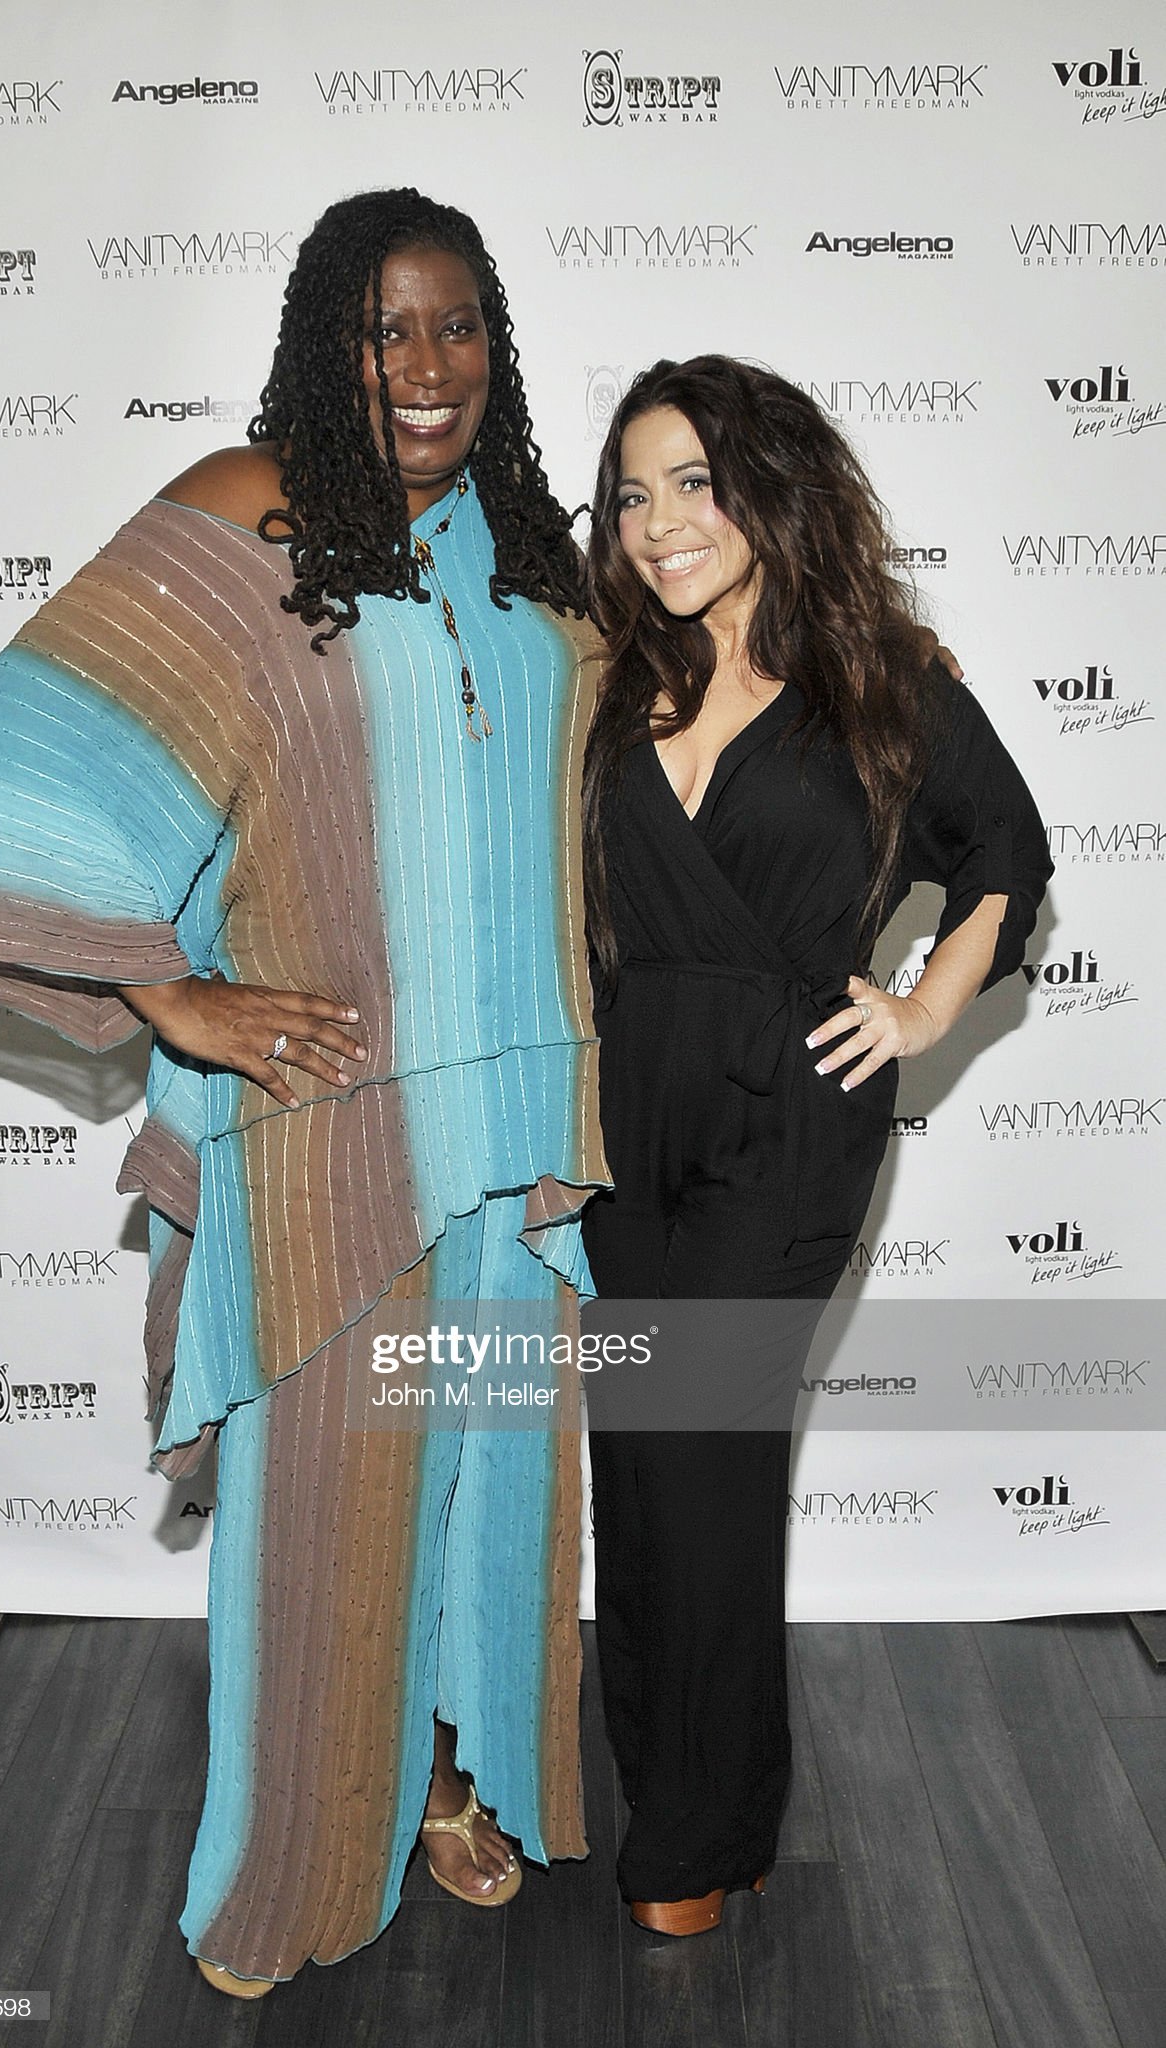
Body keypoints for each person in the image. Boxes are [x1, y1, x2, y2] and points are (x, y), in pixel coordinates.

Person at [0, 189, 610, 1993]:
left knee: (487, 1480)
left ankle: (448, 1780)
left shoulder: (534, 552)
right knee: (326, 1500)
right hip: (334, 1116)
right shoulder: (252, 507)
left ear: (495, 345)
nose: (424, 364)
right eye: (386, 328)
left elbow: (655, 732)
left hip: (516, 1126)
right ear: (328, 346)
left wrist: (871, 671)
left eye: (456, 325)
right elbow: (43, 736)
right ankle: (297, 1856)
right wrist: (175, 996)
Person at [578, 356, 1053, 1936]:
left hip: (787, 1124)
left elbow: (1006, 851)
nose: (659, 523)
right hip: (622, 1122)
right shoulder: (602, 679)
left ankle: (685, 1847)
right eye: (631, 495)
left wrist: (921, 1010)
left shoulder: (876, 685)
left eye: (693, 484)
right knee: (644, 1469)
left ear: (768, 492)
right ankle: (716, 1802)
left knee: (703, 1470)